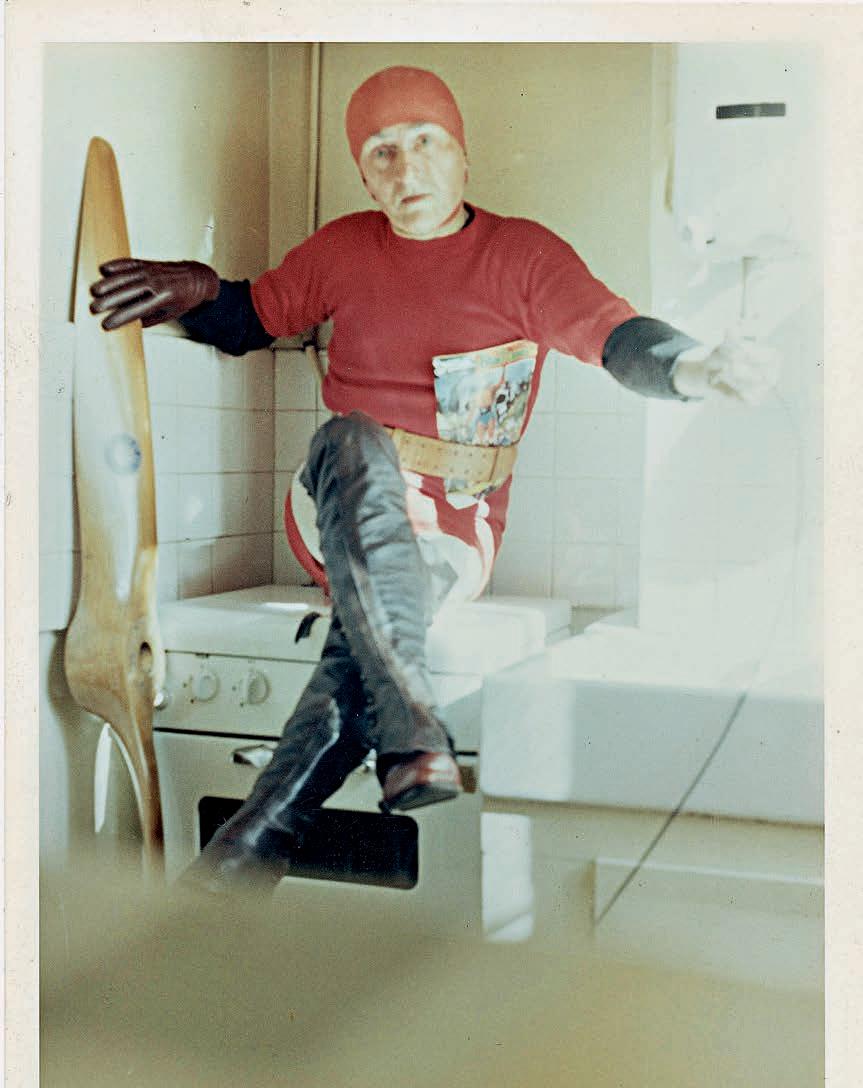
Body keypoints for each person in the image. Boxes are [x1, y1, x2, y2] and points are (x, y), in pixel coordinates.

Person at [89, 65, 778, 894]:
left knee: (370, 633)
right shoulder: (343, 249)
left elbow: (617, 337)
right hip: (333, 505)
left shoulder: (523, 256)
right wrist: (199, 290)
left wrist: (695, 367)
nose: (405, 167)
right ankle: (411, 727)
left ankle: (260, 836)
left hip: (453, 534)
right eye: (381, 152)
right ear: (362, 174)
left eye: (425, 142)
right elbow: (253, 318)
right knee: (349, 439)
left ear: (461, 154)